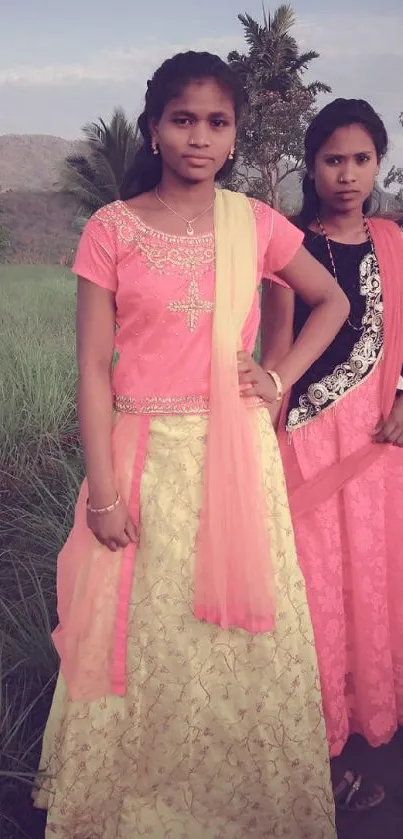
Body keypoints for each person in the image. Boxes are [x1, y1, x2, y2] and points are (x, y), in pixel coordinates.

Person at [33, 52, 349, 839]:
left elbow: (329, 300)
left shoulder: (255, 223)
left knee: (233, 640)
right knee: (139, 637)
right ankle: (132, 809)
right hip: (141, 461)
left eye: (216, 122)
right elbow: (92, 369)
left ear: (236, 134)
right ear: (153, 127)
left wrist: (275, 380)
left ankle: (239, 810)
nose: (199, 136)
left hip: (233, 465)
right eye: (183, 119)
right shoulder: (111, 229)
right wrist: (101, 490)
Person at [262, 98, 403, 812]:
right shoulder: (285, 244)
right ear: (309, 165)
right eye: (331, 159)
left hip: (377, 438)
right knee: (313, 581)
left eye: (360, 159)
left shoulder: (394, 240)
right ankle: (316, 727)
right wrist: (265, 430)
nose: (346, 174)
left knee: (370, 573)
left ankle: (371, 707)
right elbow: (277, 351)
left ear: (377, 162)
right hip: (308, 439)